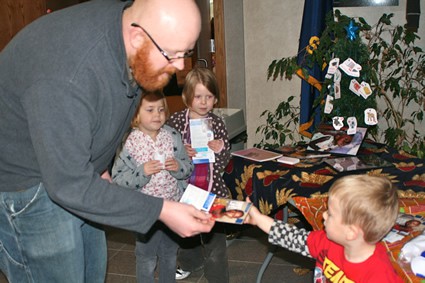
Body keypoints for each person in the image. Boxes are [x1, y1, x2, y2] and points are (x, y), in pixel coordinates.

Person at [0, 0, 214, 282]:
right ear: (137, 37)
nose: (179, 66)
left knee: (91, 269)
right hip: (26, 183)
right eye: (172, 54)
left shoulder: (127, 29)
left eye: (185, 53)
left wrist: (101, 164)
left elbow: (111, 103)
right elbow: (69, 184)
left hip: (74, 166)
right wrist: (162, 210)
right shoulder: (67, 76)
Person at [245, 175, 404, 282]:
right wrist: (258, 219)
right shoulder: (327, 242)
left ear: (351, 232)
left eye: (331, 213)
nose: (324, 215)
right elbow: (292, 237)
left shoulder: (380, 276)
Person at [112, 91, 193, 283]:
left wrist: (178, 167)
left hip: (172, 206)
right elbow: (118, 179)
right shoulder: (128, 142)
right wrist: (142, 172)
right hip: (145, 210)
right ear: (136, 114)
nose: (157, 114)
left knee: (170, 253)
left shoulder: (171, 136)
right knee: (146, 256)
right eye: (150, 110)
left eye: (161, 109)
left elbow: (187, 167)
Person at [167, 67, 231, 282]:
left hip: (214, 189)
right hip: (185, 190)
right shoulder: (175, 122)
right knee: (187, 234)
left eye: (209, 97)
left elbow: (223, 162)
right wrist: (180, 150)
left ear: (215, 99)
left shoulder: (218, 124)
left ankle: (218, 277)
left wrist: (220, 148)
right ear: (187, 97)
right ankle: (189, 263)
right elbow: (166, 153)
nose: (203, 102)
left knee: (215, 238)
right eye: (198, 96)